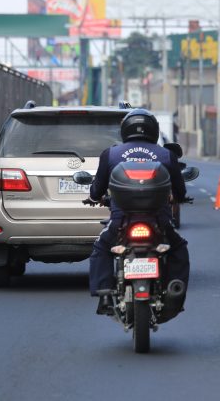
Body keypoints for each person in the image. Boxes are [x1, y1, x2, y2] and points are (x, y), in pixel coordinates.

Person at [86, 109, 191, 315]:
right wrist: (177, 197)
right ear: (153, 130)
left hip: (121, 220)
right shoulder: (166, 154)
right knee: (178, 248)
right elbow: (180, 191)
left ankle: (105, 293)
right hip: (158, 221)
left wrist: (94, 197)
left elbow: (97, 189)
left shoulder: (111, 154)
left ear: (125, 130)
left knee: (101, 248)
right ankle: (174, 291)